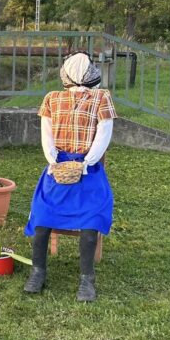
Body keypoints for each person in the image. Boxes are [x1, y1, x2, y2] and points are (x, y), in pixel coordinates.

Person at [23, 52, 117, 302]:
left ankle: (87, 279)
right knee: (42, 218)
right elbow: (46, 134)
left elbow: (104, 134)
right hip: (58, 169)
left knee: (90, 224)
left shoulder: (101, 98)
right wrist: (54, 162)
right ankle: (37, 272)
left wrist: (86, 163)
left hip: (89, 171)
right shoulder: (52, 98)